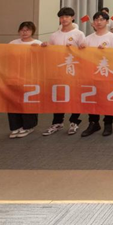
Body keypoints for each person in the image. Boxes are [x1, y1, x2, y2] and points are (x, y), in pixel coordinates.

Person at [40, 7, 85, 136]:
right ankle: (57, 122)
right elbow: (51, 51)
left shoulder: (79, 34)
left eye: (67, 16)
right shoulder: (55, 35)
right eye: (62, 17)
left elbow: (85, 53)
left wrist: (79, 48)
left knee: (75, 96)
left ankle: (74, 121)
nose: (64, 19)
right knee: (59, 95)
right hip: (59, 71)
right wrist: (46, 46)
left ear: (72, 18)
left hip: (74, 70)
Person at [79, 11, 113, 137]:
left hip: (107, 73)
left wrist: (106, 52)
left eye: (102, 19)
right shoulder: (88, 38)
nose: (98, 22)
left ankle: (108, 123)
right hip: (92, 73)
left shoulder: (112, 38)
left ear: (107, 22)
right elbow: (83, 58)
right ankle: (93, 122)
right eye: (96, 20)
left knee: (108, 99)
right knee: (93, 98)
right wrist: (81, 49)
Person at [8, 22, 41, 139]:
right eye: (22, 30)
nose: (25, 32)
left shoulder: (38, 44)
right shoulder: (13, 43)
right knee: (13, 102)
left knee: (28, 102)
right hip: (14, 76)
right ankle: (15, 126)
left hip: (31, 77)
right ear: (19, 31)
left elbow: (43, 60)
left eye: (27, 30)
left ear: (32, 31)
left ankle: (28, 126)